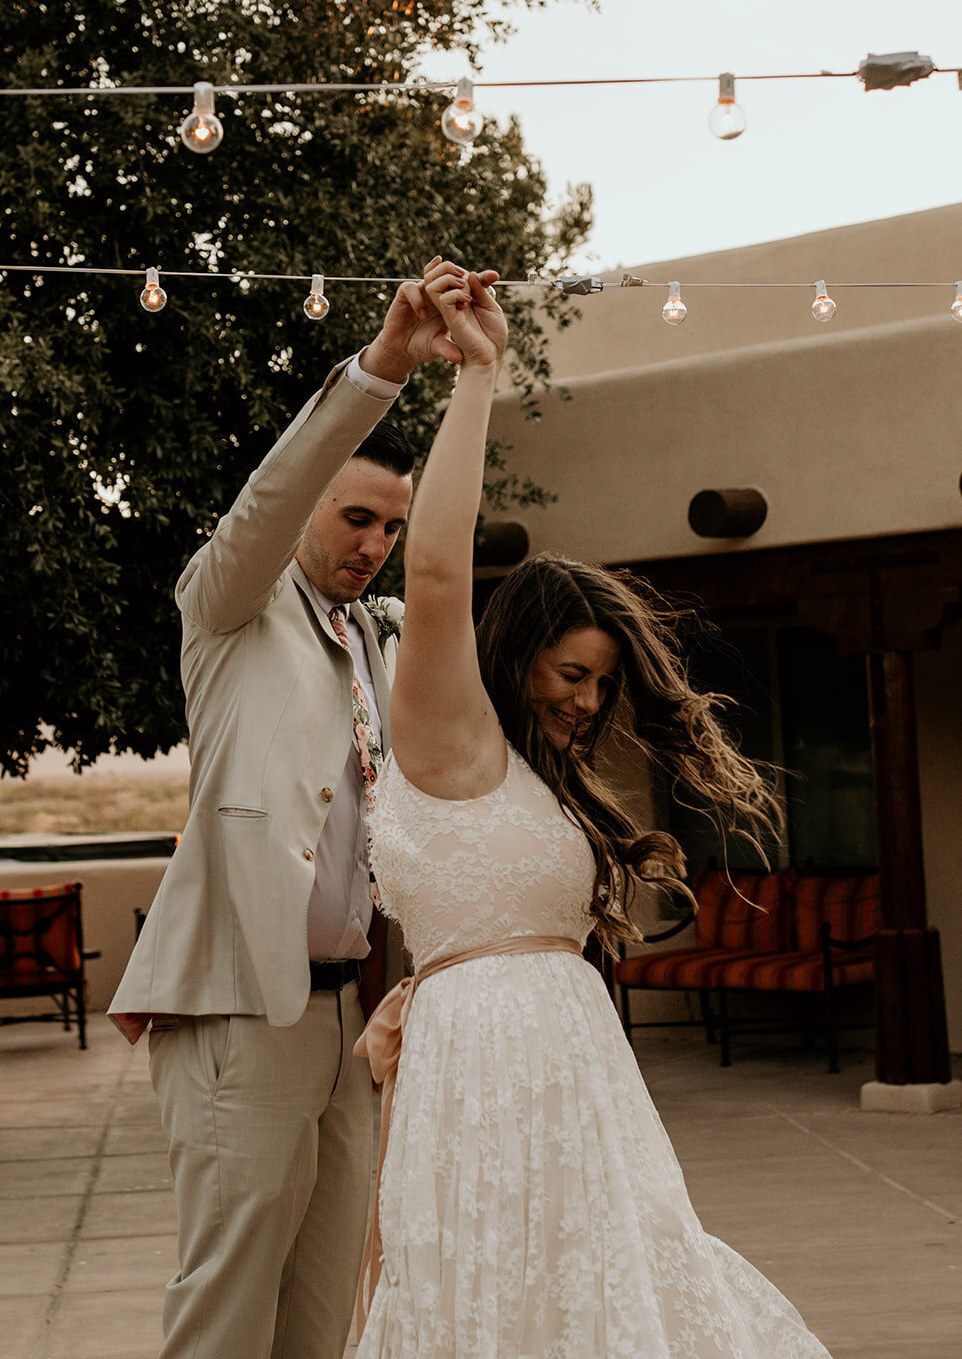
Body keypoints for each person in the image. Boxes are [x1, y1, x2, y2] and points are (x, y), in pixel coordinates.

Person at [353, 260, 834, 1357]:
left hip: (577, 1081)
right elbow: (433, 573)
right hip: (477, 1075)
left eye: (604, 680)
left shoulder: (539, 780)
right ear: (517, 653)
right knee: (492, 1298)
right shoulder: (447, 738)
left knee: (605, 1297)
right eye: (571, 672)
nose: (589, 697)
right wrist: (476, 378)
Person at [108, 262, 461, 1359]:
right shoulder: (228, 608)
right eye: (354, 517)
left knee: (322, 1319)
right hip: (237, 1010)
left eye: (387, 529)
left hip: (351, 1019)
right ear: (307, 499)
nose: (371, 543)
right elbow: (265, 504)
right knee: (226, 1315)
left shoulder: (383, 636)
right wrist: (385, 367)